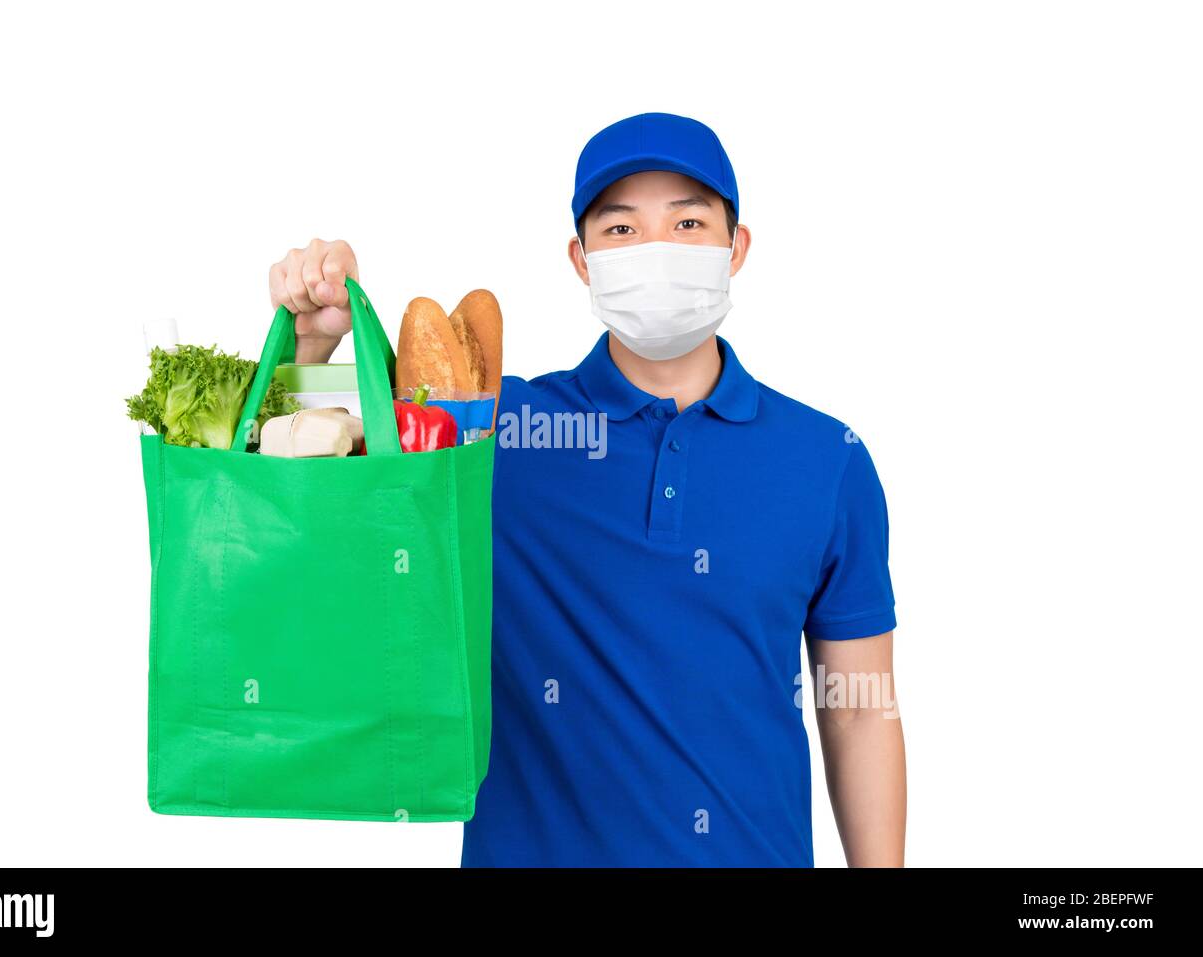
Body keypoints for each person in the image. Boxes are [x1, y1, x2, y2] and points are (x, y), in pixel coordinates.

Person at [268, 112, 904, 867]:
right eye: (623, 229)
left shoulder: (825, 458)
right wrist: (313, 343)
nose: (657, 250)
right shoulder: (494, 432)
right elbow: (311, 494)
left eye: (689, 221)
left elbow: (860, 712)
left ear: (736, 248)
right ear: (582, 258)